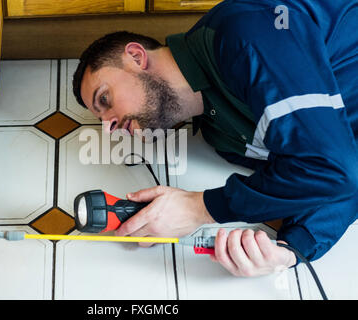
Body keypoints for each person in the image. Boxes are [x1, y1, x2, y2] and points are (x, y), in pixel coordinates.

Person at [72, 0, 358, 277]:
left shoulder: (246, 31)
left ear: (136, 56)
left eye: (105, 99)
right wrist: (290, 249)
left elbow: (333, 168)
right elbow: (332, 174)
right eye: (101, 121)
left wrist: (199, 208)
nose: (109, 128)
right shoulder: (222, 139)